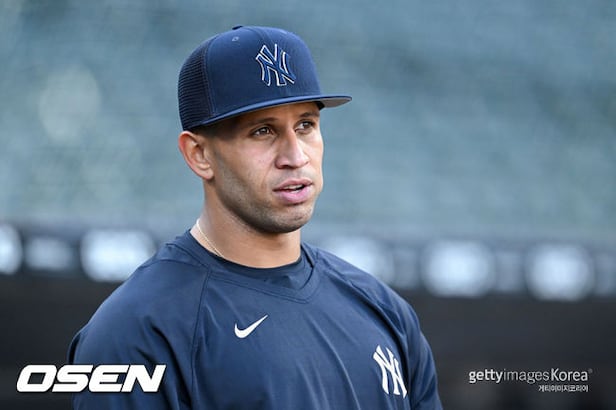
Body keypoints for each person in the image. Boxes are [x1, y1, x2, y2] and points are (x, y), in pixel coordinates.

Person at [68, 25, 442, 409]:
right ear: (199, 155)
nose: (295, 156)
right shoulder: (138, 330)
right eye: (263, 131)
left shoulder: (384, 311)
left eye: (306, 125)